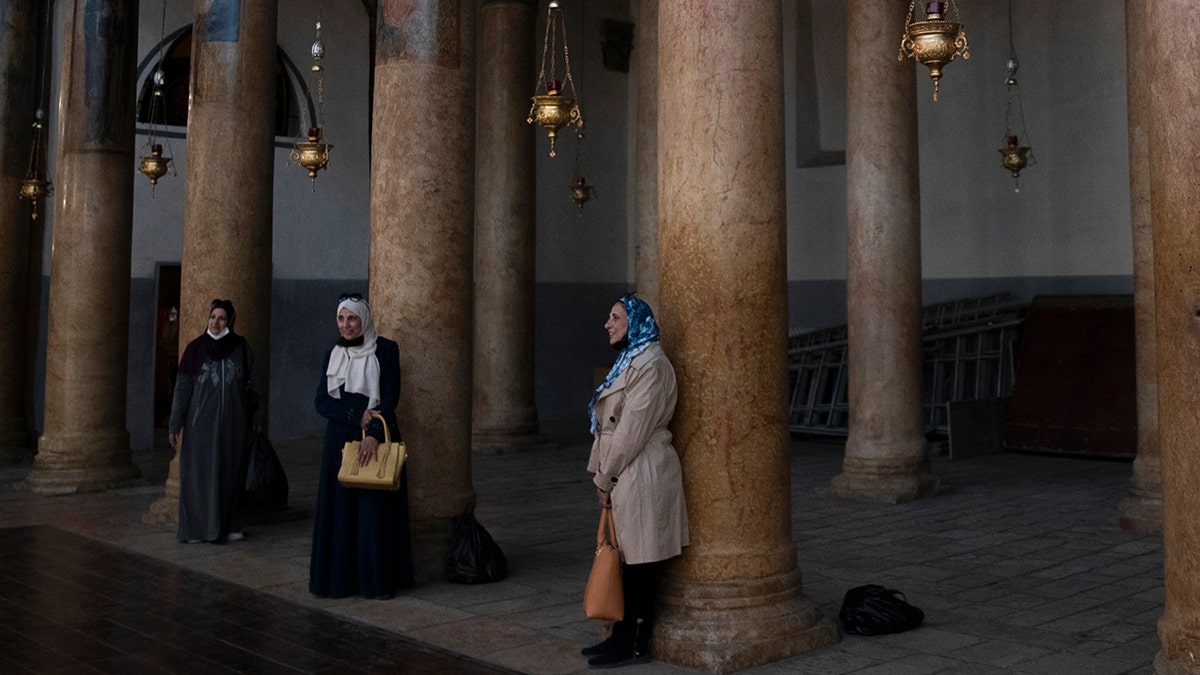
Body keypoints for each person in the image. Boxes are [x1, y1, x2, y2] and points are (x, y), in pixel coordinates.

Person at [582, 294, 689, 669]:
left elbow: (630, 432)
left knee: (641, 564)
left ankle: (633, 643)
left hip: (641, 472)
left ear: (636, 321)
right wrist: (606, 474)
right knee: (629, 560)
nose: (607, 324)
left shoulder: (652, 366)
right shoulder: (631, 361)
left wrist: (605, 478)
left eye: (615, 317)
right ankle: (621, 638)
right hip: (628, 471)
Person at [309, 294, 413, 599]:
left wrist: (373, 434)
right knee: (340, 512)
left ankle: (374, 582)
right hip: (340, 441)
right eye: (341, 319)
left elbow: (390, 397)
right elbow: (322, 402)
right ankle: (341, 582)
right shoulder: (334, 353)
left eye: (352, 318)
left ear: (363, 319)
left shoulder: (386, 349)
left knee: (373, 513)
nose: (346, 325)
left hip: (375, 439)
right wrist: (355, 416)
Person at [168, 298, 255, 543]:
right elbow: (182, 389)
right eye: (212, 317)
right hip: (200, 426)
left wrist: (254, 418)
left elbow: (252, 386)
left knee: (229, 475)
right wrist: (175, 424)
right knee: (199, 476)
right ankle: (196, 529)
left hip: (232, 426)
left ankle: (227, 526)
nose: (216, 322)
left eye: (221, 318)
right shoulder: (195, 349)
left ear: (230, 322)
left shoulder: (240, 348)